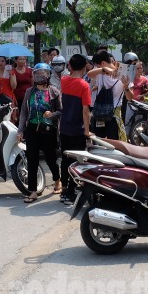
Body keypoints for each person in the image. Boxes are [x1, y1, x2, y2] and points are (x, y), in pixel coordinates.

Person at [17, 63, 62, 203]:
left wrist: (51, 114)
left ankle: (57, 180)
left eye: (43, 74)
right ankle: (33, 191)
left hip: (48, 130)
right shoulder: (29, 92)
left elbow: (61, 111)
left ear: (48, 75)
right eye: (37, 73)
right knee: (32, 160)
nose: (40, 76)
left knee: (50, 158)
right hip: (32, 129)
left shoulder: (54, 91)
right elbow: (24, 112)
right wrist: (20, 130)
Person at [58, 54, 92, 206]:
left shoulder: (64, 80)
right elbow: (85, 111)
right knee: (76, 162)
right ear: (84, 67)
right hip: (78, 129)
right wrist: (87, 131)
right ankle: (70, 192)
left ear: (70, 66)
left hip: (64, 127)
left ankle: (64, 189)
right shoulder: (84, 85)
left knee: (65, 160)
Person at [88, 50, 125, 140]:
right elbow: (89, 74)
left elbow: (130, 97)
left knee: (114, 145)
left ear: (103, 63)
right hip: (101, 115)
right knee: (100, 143)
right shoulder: (101, 73)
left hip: (113, 116)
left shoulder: (122, 73)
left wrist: (127, 87)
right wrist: (103, 69)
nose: (96, 68)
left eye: (97, 66)